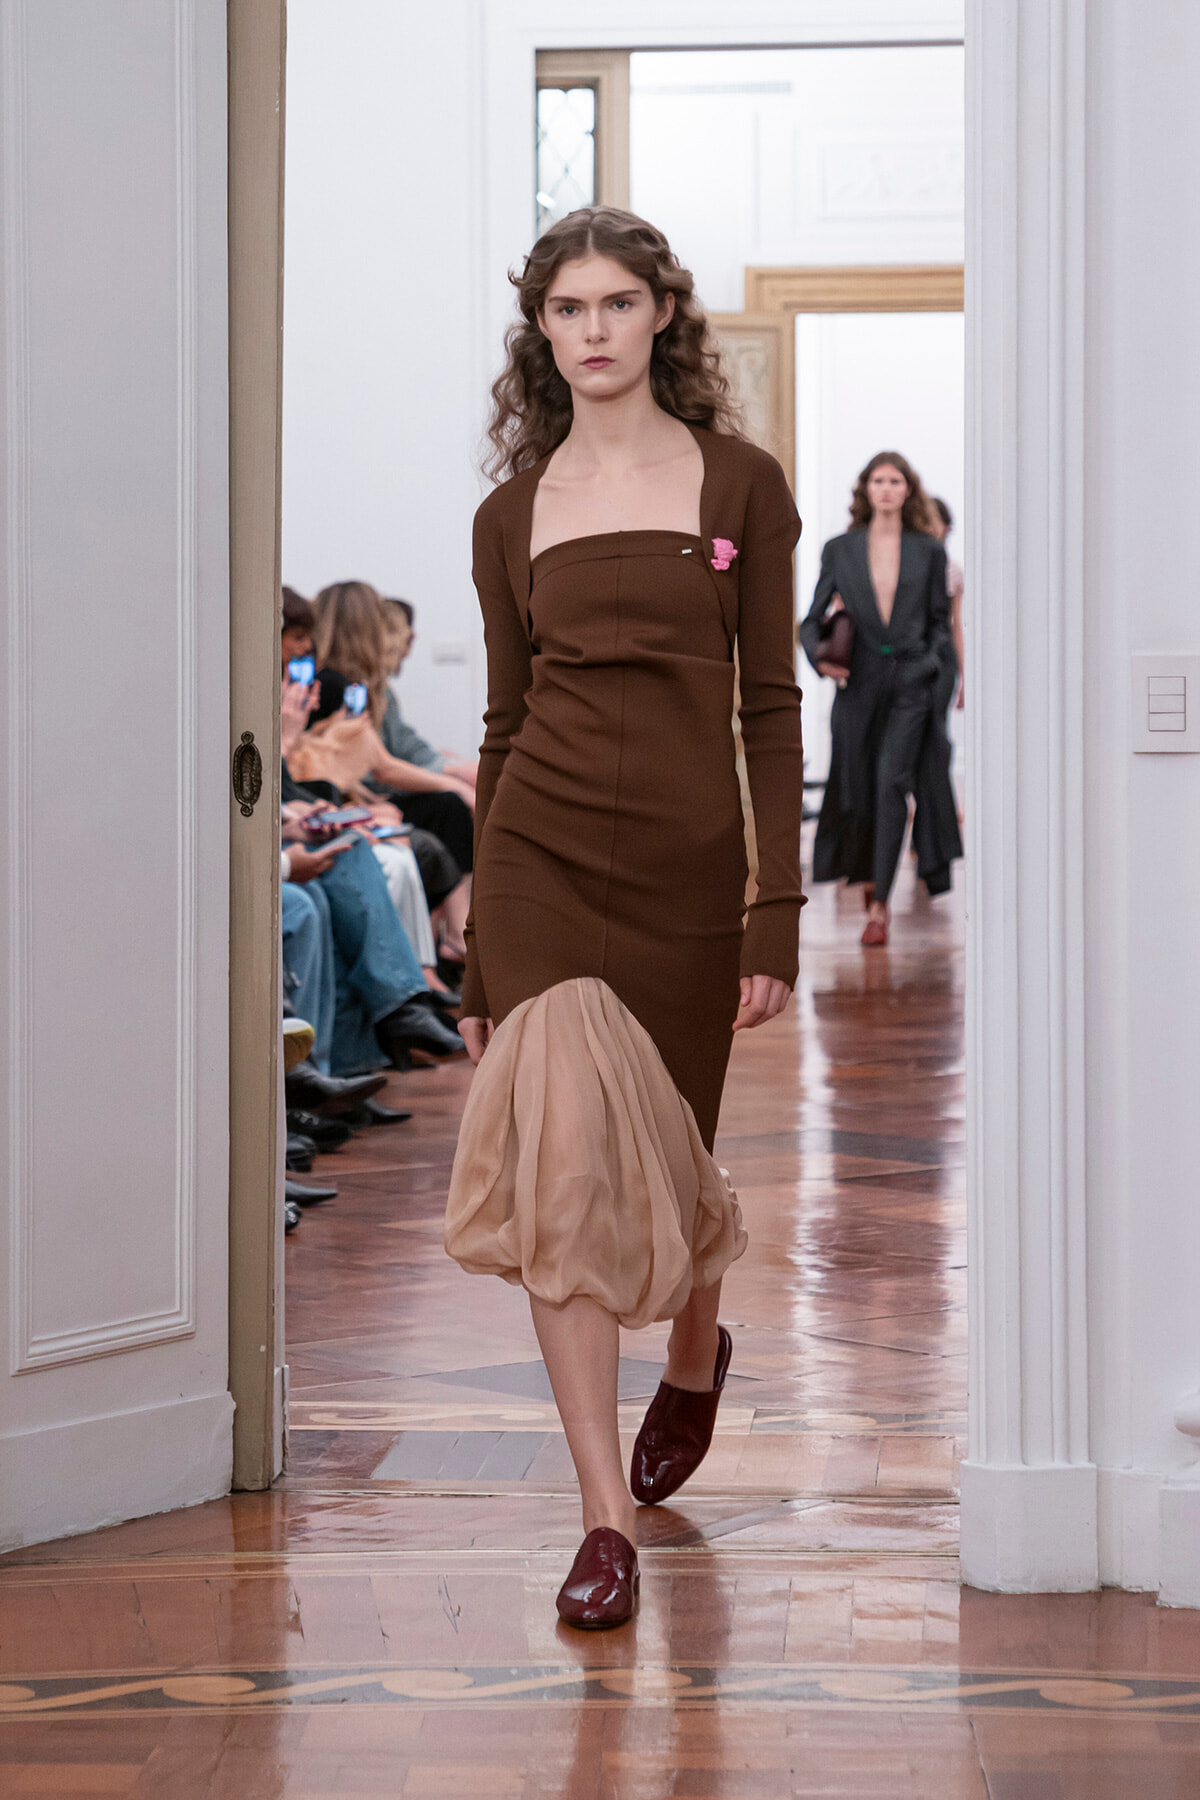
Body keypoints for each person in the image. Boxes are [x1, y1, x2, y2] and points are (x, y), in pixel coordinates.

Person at [443, 206, 805, 1629]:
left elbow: (770, 713)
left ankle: (698, 1342)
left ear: (663, 315)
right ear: (543, 335)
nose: (591, 330)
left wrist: (772, 915)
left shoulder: (738, 484)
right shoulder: (510, 513)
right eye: (565, 310)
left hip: (684, 868)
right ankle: (603, 1522)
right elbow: (502, 723)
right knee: (565, 1175)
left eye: (615, 304)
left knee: (669, 1158)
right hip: (537, 862)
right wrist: (478, 939)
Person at [798, 452, 962, 947]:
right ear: (866, 489)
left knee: (893, 782)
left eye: (895, 480)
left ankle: (881, 906)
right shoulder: (840, 549)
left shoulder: (928, 552)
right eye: (878, 480)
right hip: (859, 683)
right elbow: (811, 619)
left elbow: (939, 622)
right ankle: (871, 880)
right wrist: (820, 659)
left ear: (908, 489)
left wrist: (937, 669)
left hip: (912, 681)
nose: (886, 488)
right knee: (859, 787)